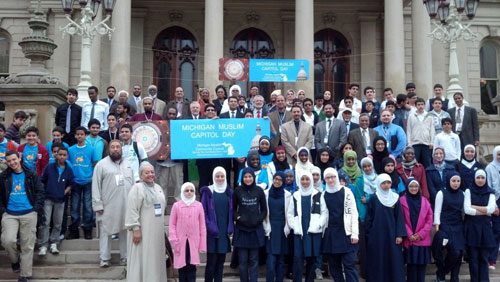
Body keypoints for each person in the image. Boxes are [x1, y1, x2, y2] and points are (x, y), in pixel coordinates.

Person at [0, 151, 44, 282]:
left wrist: (36, 208)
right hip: (10, 214)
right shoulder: (3, 176)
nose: (12, 163)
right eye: (9, 161)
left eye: (14, 159)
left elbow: (40, 191)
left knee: (27, 245)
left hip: (29, 212)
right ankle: (15, 260)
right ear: (6, 162)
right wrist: (3, 210)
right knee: (8, 241)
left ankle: (24, 275)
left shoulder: (31, 174)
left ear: (19, 158)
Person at [92, 140, 134, 267]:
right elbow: (96, 186)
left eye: (117, 147)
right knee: (106, 231)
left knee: (125, 231)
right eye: (113, 147)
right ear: (108, 149)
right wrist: (98, 204)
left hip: (126, 204)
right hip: (107, 206)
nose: (115, 149)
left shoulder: (128, 164)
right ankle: (104, 258)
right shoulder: (101, 165)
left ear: (121, 148)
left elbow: (133, 184)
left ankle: (125, 257)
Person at [125, 162, 167, 282]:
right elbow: (132, 209)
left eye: (152, 172)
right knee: (141, 258)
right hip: (142, 232)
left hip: (156, 233)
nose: (150, 174)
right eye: (147, 172)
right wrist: (135, 229)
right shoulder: (137, 188)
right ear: (141, 175)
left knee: (155, 259)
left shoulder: (158, 188)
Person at [364, 173, 406, 282]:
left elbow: (399, 218)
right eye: (383, 183)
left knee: (393, 259)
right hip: (377, 236)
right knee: (378, 259)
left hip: (392, 236)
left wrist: (400, 234)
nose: (386, 185)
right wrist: (370, 234)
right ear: (379, 184)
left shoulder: (395, 198)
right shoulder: (374, 198)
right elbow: (369, 218)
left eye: (388, 182)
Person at [287, 170, 326, 282]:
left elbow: (324, 213)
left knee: (312, 259)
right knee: (298, 259)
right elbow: (290, 213)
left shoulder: (318, 195)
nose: (305, 182)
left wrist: (318, 225)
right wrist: (294, 226)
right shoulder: (295, 195)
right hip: (300, 232)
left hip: (313, 232)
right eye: (302, 179)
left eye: (307, 179)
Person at [322, 168, 359, 282]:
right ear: (325, 180)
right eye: (328, 177)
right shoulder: (324, 194)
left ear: (337, 177)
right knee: (334, 267)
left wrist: (355, 234)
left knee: (349, 265)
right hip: (331, 234)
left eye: (333, 176)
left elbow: (353, 213)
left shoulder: (346, 191)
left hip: (346, 233)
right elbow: (324, 215)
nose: (331, 179)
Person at [233, 168, 267, 282]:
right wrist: (238, 218)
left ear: (253, 177)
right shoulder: (237, 190)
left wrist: (259, 219)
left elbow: (264, 210)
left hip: (255, 230)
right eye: (245, 177)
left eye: (250, 176)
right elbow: (233, 209)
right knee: (242, 262)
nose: (248, 179)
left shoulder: (259, 191)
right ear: (242, 178)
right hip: (242, 230)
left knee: (254, 261)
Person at [200, 167, 233, 282]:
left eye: (222, 176)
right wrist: (210, 226)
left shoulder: (229, 192)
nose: (220, 178)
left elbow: (231, 211)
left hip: (223, 234)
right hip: (212, 234)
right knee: (211, 264)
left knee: (220, 263)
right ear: (213, 177)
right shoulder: (208, 191)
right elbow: (203, 212)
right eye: (217, 176)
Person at [39, 146, 73, 256]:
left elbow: (71, 183)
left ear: (67, 156)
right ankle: (43, 245)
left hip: (61, 200)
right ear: (56, 155)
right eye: (60, 154)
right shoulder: (49, 167)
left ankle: (54, 243)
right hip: (48, 199)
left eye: (64, 155)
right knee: (46, 222)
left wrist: (64, 191)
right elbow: (42, 180)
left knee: (58, 223)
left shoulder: (68, 169)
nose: (62, 157)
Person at [169, 182, 207, 282]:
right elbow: (172, 225)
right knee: (182, 268)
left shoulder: (199, 205)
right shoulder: (176, 206)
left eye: (191, 190)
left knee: (192, 267)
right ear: (182, 192)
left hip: (193, 242)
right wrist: (174, 240)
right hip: (180, 242)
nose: (189, 192)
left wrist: (202, 245)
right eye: (186, 190)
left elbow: (202, 226)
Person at [464, 169, 496, 282]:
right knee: (473, 258)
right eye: (478, 177)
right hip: (472, 228)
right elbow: (467, 210)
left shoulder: (491, 192)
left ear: (486, 179)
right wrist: (485, 211)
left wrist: (474, 206)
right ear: (474, 178)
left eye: (483, 178)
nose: (480, 180)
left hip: (485, 229)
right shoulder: (468, 191)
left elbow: (491, 210)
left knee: (483, 258)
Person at [432, 172, 465, 282]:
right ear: (448, 181)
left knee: (459, 252)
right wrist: (437, 227)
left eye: (458, 181)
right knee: (452, 251)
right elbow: (437, 211)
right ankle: (441, 272)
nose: (456, 183)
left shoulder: (463, 194)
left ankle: (453, 277)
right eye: (453, 181)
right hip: (445, 226)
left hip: (458, 226)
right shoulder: (441, 193)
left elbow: (465, 211)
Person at [400, 178, 433, 282]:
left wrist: (420, 234)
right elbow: (401, 219)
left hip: (422, 239)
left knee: (421, 266)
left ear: (419, 188)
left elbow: (429, 219)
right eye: (411, 186)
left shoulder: (425, 201)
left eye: (416, 186)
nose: (413, 188)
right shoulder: (402, 200)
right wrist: (410, 234)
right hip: (410, 240)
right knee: (412, 266)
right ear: (407, 187)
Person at [67, 126, 97, 240]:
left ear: (85, 136)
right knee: (74, 207)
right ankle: (74, 230)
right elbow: (69, 165)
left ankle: (87, 229)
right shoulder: (71, 150)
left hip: (88, 181)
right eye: (77, 134)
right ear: (75, 136)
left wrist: (93, 177)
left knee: (88, 206)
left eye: (82, 134)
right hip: (75, 181)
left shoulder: (91, 149)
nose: (79, 136)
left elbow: (94, 164)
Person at [263, 172, 292, 282]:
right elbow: (263, 212)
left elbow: (289, 213)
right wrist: (266, 227)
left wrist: (288, 228)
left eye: (280, 179)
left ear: (283, 181)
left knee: (280, 262)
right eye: (275, 179)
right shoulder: (266, 193)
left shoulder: (288, 195)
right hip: (270, 230)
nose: (277, 181)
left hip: (282, 230)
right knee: (271, 262)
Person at [353, 157, 377, 279]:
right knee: (365, 247)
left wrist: (368, 198)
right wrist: (362, 215)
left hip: (377, 216)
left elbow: (378, 194)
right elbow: (358, 198)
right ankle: (366, 273)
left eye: (369, 166)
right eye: (365, 167)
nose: (367, 168)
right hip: (364, 216)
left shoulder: (379, 179)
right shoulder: (360, 180)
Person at [407, 98, 435, 168]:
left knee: (427, 164)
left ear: (424, 105)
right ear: (416, 106)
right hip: (415, 143)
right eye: (418, 105)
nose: (420, 106)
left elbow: (432, 130)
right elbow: (409, 130)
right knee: (414, 163)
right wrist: (409, 143)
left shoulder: (429, 116)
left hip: (426, 144)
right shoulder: (411, 116)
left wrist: (431, 142)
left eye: (422, 104)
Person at [485, 146, 500, 268]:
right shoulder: (489, 168)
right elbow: (488, 187)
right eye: (498, 154)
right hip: (496, 200)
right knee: (496, 231)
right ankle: (492, 259)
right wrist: (493, 205)